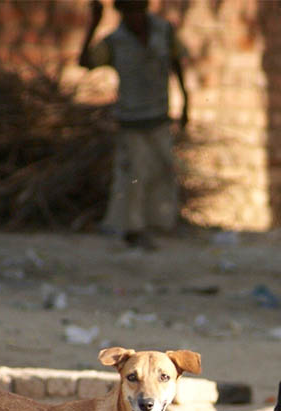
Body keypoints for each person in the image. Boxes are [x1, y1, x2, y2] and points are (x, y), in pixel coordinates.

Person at [80, 0, 189, 250]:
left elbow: (177, 64)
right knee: (134, 175)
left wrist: (186, 103)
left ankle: (160, 224)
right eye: (129, 11)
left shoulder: (164, 31)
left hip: (159, 116)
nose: (134, 17)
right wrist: (93, 25)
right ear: (122, 13)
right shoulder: (114, 41)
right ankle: (133, 229)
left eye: (137, 10)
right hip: (131, 120)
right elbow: (85, 62)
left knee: (163, 169)